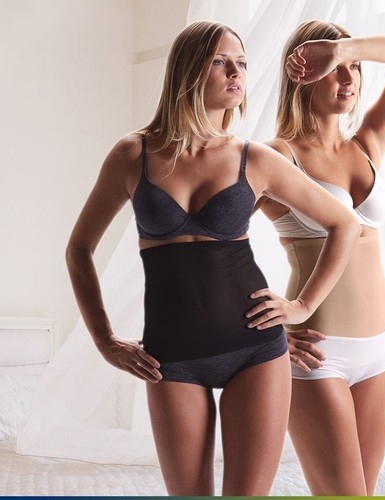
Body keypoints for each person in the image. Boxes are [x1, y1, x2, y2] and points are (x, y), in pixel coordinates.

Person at [65, 21, 360, 496]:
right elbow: (79, 249)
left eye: (241, 63)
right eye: (221, 62)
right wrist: (105, 341)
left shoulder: (255, 159)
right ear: (188, 70)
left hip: (255, 350)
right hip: (171, 356)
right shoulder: (132, 154)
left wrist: (301, 306)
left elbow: (344, 223)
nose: (236, 73)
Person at [259, 20, 385, 495]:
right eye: (334, 68)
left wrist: (344, 49)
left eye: (353, 67)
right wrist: (262, 332)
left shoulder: (367, 144)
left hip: (378, 352)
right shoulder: (277, 157)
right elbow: (212, 245)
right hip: (318, 354)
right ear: (302, 73)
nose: (348, 78)